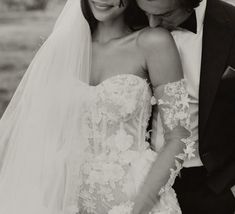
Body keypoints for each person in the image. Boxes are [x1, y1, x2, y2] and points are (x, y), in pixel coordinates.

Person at [0, 0, 195, 213]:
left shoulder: (153, 43)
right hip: (65, 199)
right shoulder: (63, 48)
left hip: (136, 197)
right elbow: (41, 132)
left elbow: (179, 137)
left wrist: (139, 207)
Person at [134, 0, 235, 213]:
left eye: (165, 14)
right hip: (139, 181)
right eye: (145, 13)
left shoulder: (231, 23)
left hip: (212, 186)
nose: (152, 24)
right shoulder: (128, 22)